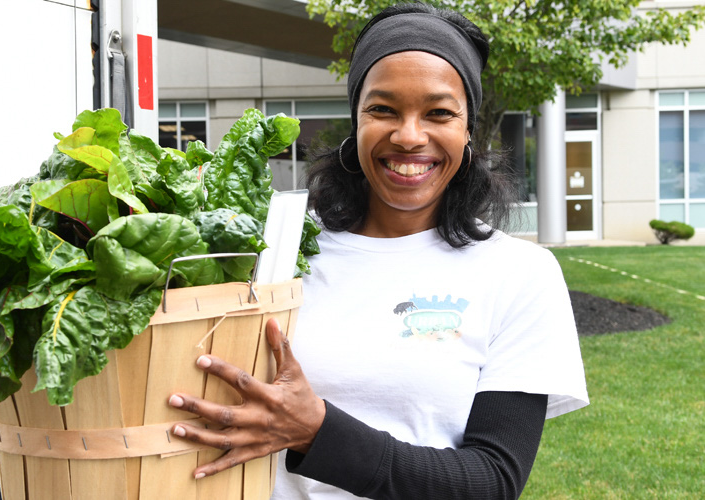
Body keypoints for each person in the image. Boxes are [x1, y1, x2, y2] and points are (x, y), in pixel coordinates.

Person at [166, 3, 589, 498]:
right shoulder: (280, 249)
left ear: (467, 129)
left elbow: (493, 482)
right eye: (383, 109)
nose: (409, 136)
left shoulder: (519, 273)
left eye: (439, 112)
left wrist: (317, 431)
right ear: (356, 121)